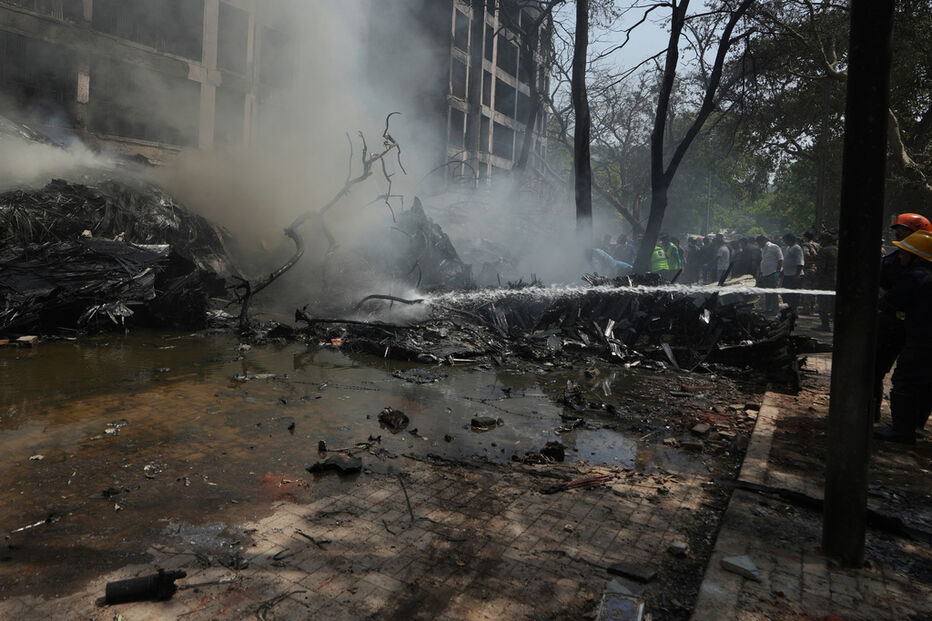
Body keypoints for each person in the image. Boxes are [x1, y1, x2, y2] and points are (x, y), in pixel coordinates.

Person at [873, 229, 932, 444]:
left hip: (921, 339)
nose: (899, 256)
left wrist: (883, 295)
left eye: (905, 253)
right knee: (925, 383)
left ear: (918, 257)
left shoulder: (915, 277)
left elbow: (891, 300)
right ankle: (915, 426)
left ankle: (901, 431)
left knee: (904, 380)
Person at [812, 233, 837, 331]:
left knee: (823, 303)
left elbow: (821, 268)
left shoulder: (824, 251)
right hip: (836, 281)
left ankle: (825, 325)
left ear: (825, 240)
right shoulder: (837, 249)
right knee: (834, 304)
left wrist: (817, 281)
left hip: (825, 281)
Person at [756, 235, 784, 314]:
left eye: (759, 243)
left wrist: (777, 272)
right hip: (765, 273)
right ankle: (768, 309)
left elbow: (780, 259)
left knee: (773, 293)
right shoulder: (763, 248)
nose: (758, 245)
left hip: (773, 273)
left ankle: (775, 309)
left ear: (764, 241)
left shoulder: (774, 247)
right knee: (767, 293)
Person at [781, 233, 805, 310]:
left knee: (793, 295)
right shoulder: (788, 248)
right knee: (785, 294)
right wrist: (783, 271)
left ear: (790, 239)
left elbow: (800, 262)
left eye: (786, 240)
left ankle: (793, 311)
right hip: (787, 275)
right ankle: (788, 310)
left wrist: (797, 275)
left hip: (794, 275)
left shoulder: (797, 248)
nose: (785, 242)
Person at [800, 231, 821, 314]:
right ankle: (813, 308)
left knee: (806, 288)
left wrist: (804, 265)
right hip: (816, 268)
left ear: (806, 237)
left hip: (808, 269)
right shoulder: (817, 245)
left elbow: (806, 255)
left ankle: (806, 309)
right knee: (814, 289)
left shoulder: (806, 245)